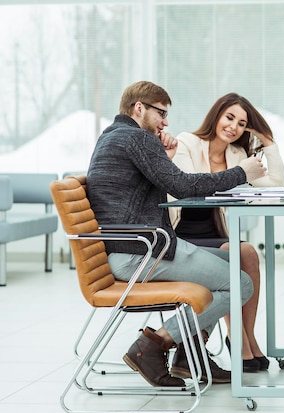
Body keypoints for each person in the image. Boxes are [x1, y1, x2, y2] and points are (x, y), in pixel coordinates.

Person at [86, 81, 266, 387]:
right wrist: (242, 173)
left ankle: (188, 352)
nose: (166, 122)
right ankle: (155, 344)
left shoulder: (111, 137)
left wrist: (165, 158)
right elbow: (184, 186)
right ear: (139, 108)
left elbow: (140, 189)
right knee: (240, 284)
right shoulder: (138, 139)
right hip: (141, 254)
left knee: (235, 260)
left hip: (131, 249)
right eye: (161, 113)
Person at [168, 92, 284, 373]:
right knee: (239, 253)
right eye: (229, 117)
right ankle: (242, 343)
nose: (233, 127)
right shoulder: (187, 142)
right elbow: (188, 186)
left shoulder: (237, 154)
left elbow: (277, 183)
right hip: (182, 236)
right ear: (216, 115)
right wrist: (239, 174)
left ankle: (246, 337)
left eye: (242, 124)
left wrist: (268, 143)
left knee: (248, 254)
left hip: (216, 233)